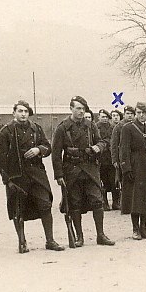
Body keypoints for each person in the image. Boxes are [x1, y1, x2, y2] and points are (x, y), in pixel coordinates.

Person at [0, 100, 65, 253]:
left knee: (45, 205)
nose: (23, 114)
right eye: (20, 111)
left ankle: (50, 240)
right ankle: (22, 242)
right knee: (18, 209)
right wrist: (7, 180)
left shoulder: (36, 129)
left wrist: (38, 149)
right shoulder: (6, 131)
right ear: (13, 113)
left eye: (26, 112)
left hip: (37, 175)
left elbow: (48, 147)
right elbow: (0, 158)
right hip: (17, 176)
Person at [52, 96, 115, 247]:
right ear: (71, 109)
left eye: (83, 109)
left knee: (97, 201)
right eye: (78, 108)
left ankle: (100, 235)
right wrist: (59, 175)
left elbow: (102, 141)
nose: (81, 111)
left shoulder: (90, 125)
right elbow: (56, 153)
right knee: (75, 204)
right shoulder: (62, 128)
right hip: (72, 171)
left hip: (90, 169)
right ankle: (79, 237)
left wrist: (97, 147)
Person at [120, 102, 146, 240]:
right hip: (136, 165)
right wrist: (126, 169)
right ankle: (135, 229)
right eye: (138, 112)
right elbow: (124, 149)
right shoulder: (128, 128)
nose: (140, 115)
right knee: (135, 198)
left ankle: (143, 228)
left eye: (143, 113)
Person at [111, 105, 134, 212]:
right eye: (127, 114)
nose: (130, 116)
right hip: (122, 158)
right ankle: (124, 205)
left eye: (131, 114)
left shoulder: (134, 125)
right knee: (123, 182)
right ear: (124, 115)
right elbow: (114, 144)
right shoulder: (119, 127)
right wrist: (115, 160)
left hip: (133, 158)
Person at [96, 109, 116, 211]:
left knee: (113, 181)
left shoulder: (112, 127)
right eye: (102, 117)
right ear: (98, 117)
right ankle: (104, 202)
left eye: (106, 117)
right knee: (102, 182)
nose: (104, 119)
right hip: (101, 159)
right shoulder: (96, 127)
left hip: (110, 158)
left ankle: (115, 202)